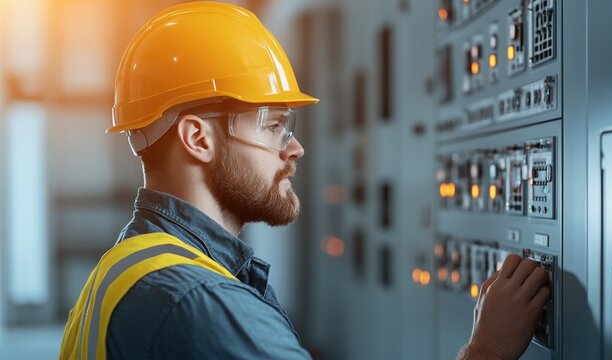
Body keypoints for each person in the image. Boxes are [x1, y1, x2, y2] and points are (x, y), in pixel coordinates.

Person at [59, 2, 550, 359]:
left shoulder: (126, 265)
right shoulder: (198, 301)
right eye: (273, 126)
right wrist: (488, 352)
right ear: (198, 139)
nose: (294, 148)